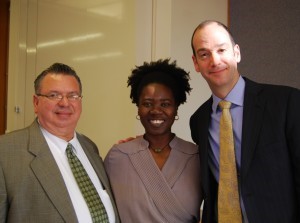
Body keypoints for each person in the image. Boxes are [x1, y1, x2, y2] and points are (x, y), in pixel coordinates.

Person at [190, 20, 300, 223]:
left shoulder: (286, 103)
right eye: (204, 54)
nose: (215, 61)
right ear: (196, 63)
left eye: (222, 50)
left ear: (237, 53)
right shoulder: (198, 121)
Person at [0, 63, 120, 223]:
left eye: (73, 96)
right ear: (36, 103)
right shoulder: (5, 152)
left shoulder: (90, 147)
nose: (64, 103)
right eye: (54, 95)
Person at [104, 59, 202, 222]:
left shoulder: (196, 157)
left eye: (165, 104)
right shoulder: (118, 156)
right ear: (138, 107)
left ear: (176, 107)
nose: (156, 111)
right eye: (147, 103)